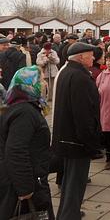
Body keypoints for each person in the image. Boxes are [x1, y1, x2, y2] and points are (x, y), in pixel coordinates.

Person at [52, 42, 101, 220]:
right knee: (75, 183)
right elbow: (83, 114)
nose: (93, 58)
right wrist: (91, 142)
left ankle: (67, 212)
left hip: (67, 138)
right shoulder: (80, 77)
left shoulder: (66, 72)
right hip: (77, 141)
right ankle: (68, 215)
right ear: (81, 57)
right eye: (90, 55)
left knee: (69, 182)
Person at [0, 66, 55, 219]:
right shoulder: (24, 112)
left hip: (30, 178)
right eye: (41, 80)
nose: (44, 83)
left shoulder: (24, 107)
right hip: (26, 183)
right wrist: (25, 188)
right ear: (30, 84)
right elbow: (16, 150)